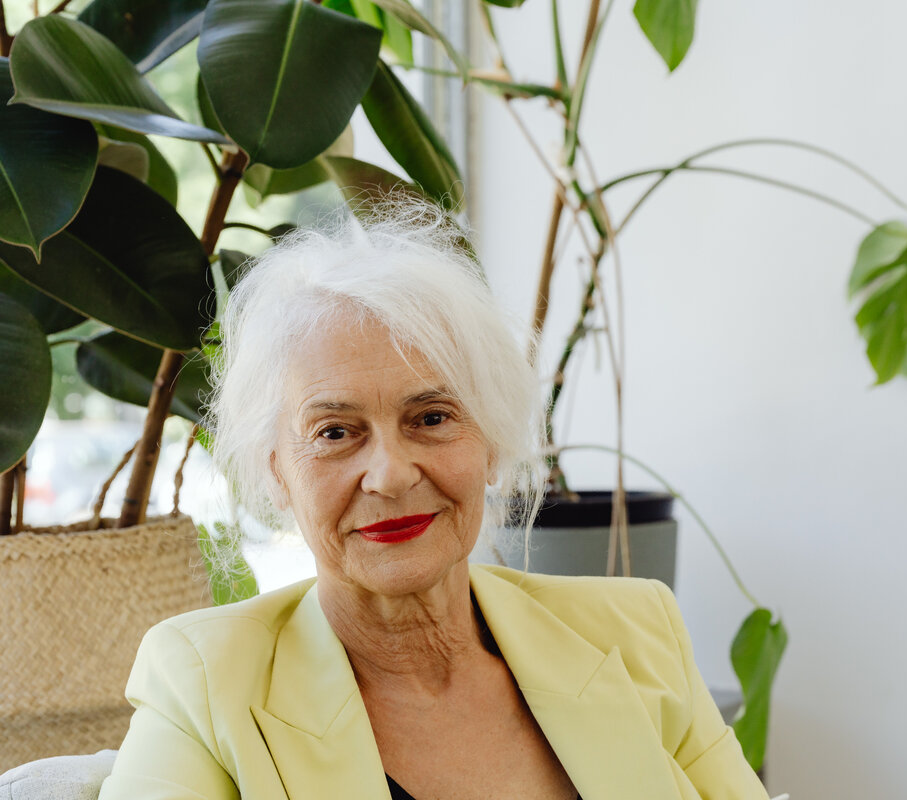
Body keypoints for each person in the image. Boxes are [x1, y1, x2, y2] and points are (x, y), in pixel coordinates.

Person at [98, 203, 769, 800]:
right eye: (335, 432)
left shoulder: (635, 632)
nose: (390, 476)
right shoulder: (205, 684)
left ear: (492, 441)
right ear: (276, 473)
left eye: (432, 418)